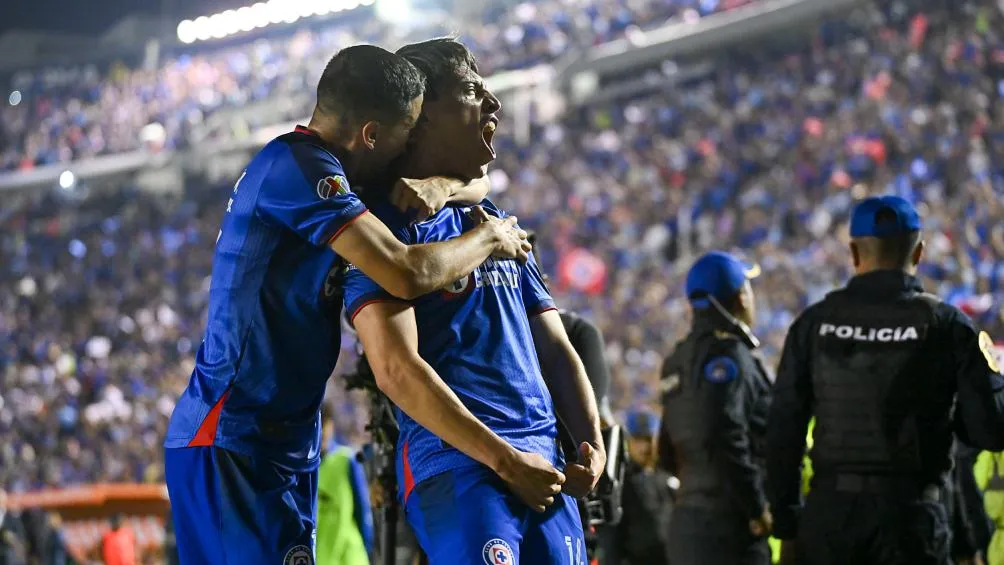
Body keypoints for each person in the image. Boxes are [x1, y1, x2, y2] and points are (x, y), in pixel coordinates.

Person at [163, 45, 532, 564]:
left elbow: (476, 175)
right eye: (408, 134)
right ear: (372, 135)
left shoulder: (340, 171)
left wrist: (442, 185)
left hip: (281, 438)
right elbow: (405, 272)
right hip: (232, 432)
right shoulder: (298, 166)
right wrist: (490, 237)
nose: (411, 150)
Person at [344, 37, 605, 564]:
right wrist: (505, 462)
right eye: (471, 91)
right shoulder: (379, 233)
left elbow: (555, 347)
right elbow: (397, 369)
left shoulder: (495, 221)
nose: (494, 103)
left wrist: (591, 442)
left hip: (545, 466)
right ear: (421, 114)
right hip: (457, 466)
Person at [766, 195, 1004, 565]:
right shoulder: (947, 326)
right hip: (911, 522)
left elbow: (783, 433)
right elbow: (990, 431)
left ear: (854, 253)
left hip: (830, 520)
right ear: (919, 252)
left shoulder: (813, 325)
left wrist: (786, 525)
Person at [658, 251, 773, 565]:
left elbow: (666, 452)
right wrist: (757, 507)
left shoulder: (675, 361)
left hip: (686, 525)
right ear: (741, 298)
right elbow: (726, 436)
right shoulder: (732, 357)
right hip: (731, 529)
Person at [614, 410, 673, 565]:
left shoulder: (669, 475)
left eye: (648, 439)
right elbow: (613, 534)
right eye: (637, 440)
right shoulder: (621, 481)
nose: (644, 447)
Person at [316, 405, 373, 565]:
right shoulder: (299, 468)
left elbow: (362, 510)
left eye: (325, 425)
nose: (322, 433)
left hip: (348, 558)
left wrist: (368, 548)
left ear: (331, 426)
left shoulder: (346, 460)